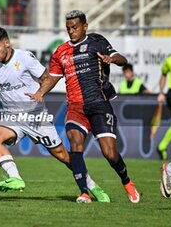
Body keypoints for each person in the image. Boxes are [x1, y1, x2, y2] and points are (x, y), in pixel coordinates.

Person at [0, 27, 110, 202]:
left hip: (35, 116)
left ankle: (92, 186)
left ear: (7, 43)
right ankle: (16, 178)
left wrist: (40, 93)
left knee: (64, 156)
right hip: (13, 116)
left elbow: (47, 78)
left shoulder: (24, 58)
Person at [42, 10, 139, 203]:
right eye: (68, 28)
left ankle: (127, 181)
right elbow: (52, 78)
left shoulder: (97, 41)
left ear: (85, 26)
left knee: (110, 154)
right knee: (75, 145)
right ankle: (84, 193)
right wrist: (39, 93)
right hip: (75, 107)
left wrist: (112, 59)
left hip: (99, 105)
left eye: (75, 27)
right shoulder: (61, 51)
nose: (71, 31)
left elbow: (122, 58)